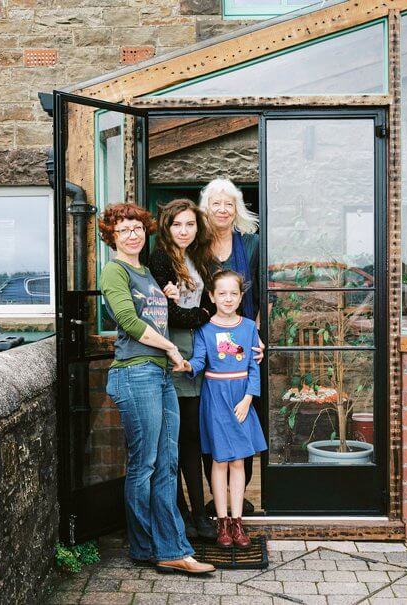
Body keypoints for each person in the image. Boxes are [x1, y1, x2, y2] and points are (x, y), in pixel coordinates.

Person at [97, 202, 214, 575]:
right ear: (111, 237)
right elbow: (128, 320)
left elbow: (158, 320)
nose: (131, 235)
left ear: (145, 231)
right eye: (123, 230)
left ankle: (171, 549)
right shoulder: (114, 272)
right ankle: (146, 546)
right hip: (135, 374)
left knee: (166, 464)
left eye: (136, 228)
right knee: (144, 464)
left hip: (161, 373)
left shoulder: (146, 272)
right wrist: (169, 348)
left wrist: (171, 302)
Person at [181, 270, 267, 548]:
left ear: (241, 296)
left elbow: (254, 367)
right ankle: (222, 523)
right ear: (211, 296)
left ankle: (238, 522)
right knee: (219, 461)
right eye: (222, 293)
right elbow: (199, 359)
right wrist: (186, 366)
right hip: (215, 398)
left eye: (233, 293)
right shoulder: (205, 329)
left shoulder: (248, 328)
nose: (228, 299)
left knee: (239, 461)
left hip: (240, 398)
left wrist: (248, 399)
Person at [147, 198, 217, 541]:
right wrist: (200, 315)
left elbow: (209, 303)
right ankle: (181, 514)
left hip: (195, 352)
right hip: (169, 350)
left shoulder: (199, 258)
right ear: (166, 226)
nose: (184, 231)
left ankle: (199, 513)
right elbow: (169, 315)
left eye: (190, 224)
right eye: (178, 225)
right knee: (172, 439)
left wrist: (200, 314)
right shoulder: (158, 257)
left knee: (191, 436)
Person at [198, 178, 262, 513]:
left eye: (229, 204)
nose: (222, 210)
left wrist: (258, 336)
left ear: (236, 209)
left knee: (242, 421)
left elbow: (262, 295)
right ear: (206, 208)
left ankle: (240, 500)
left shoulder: (250, 244)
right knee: (213, 424)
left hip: (241, 343)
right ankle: (216, 501)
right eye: (216, 204)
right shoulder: (196, 246)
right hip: (206, 346)